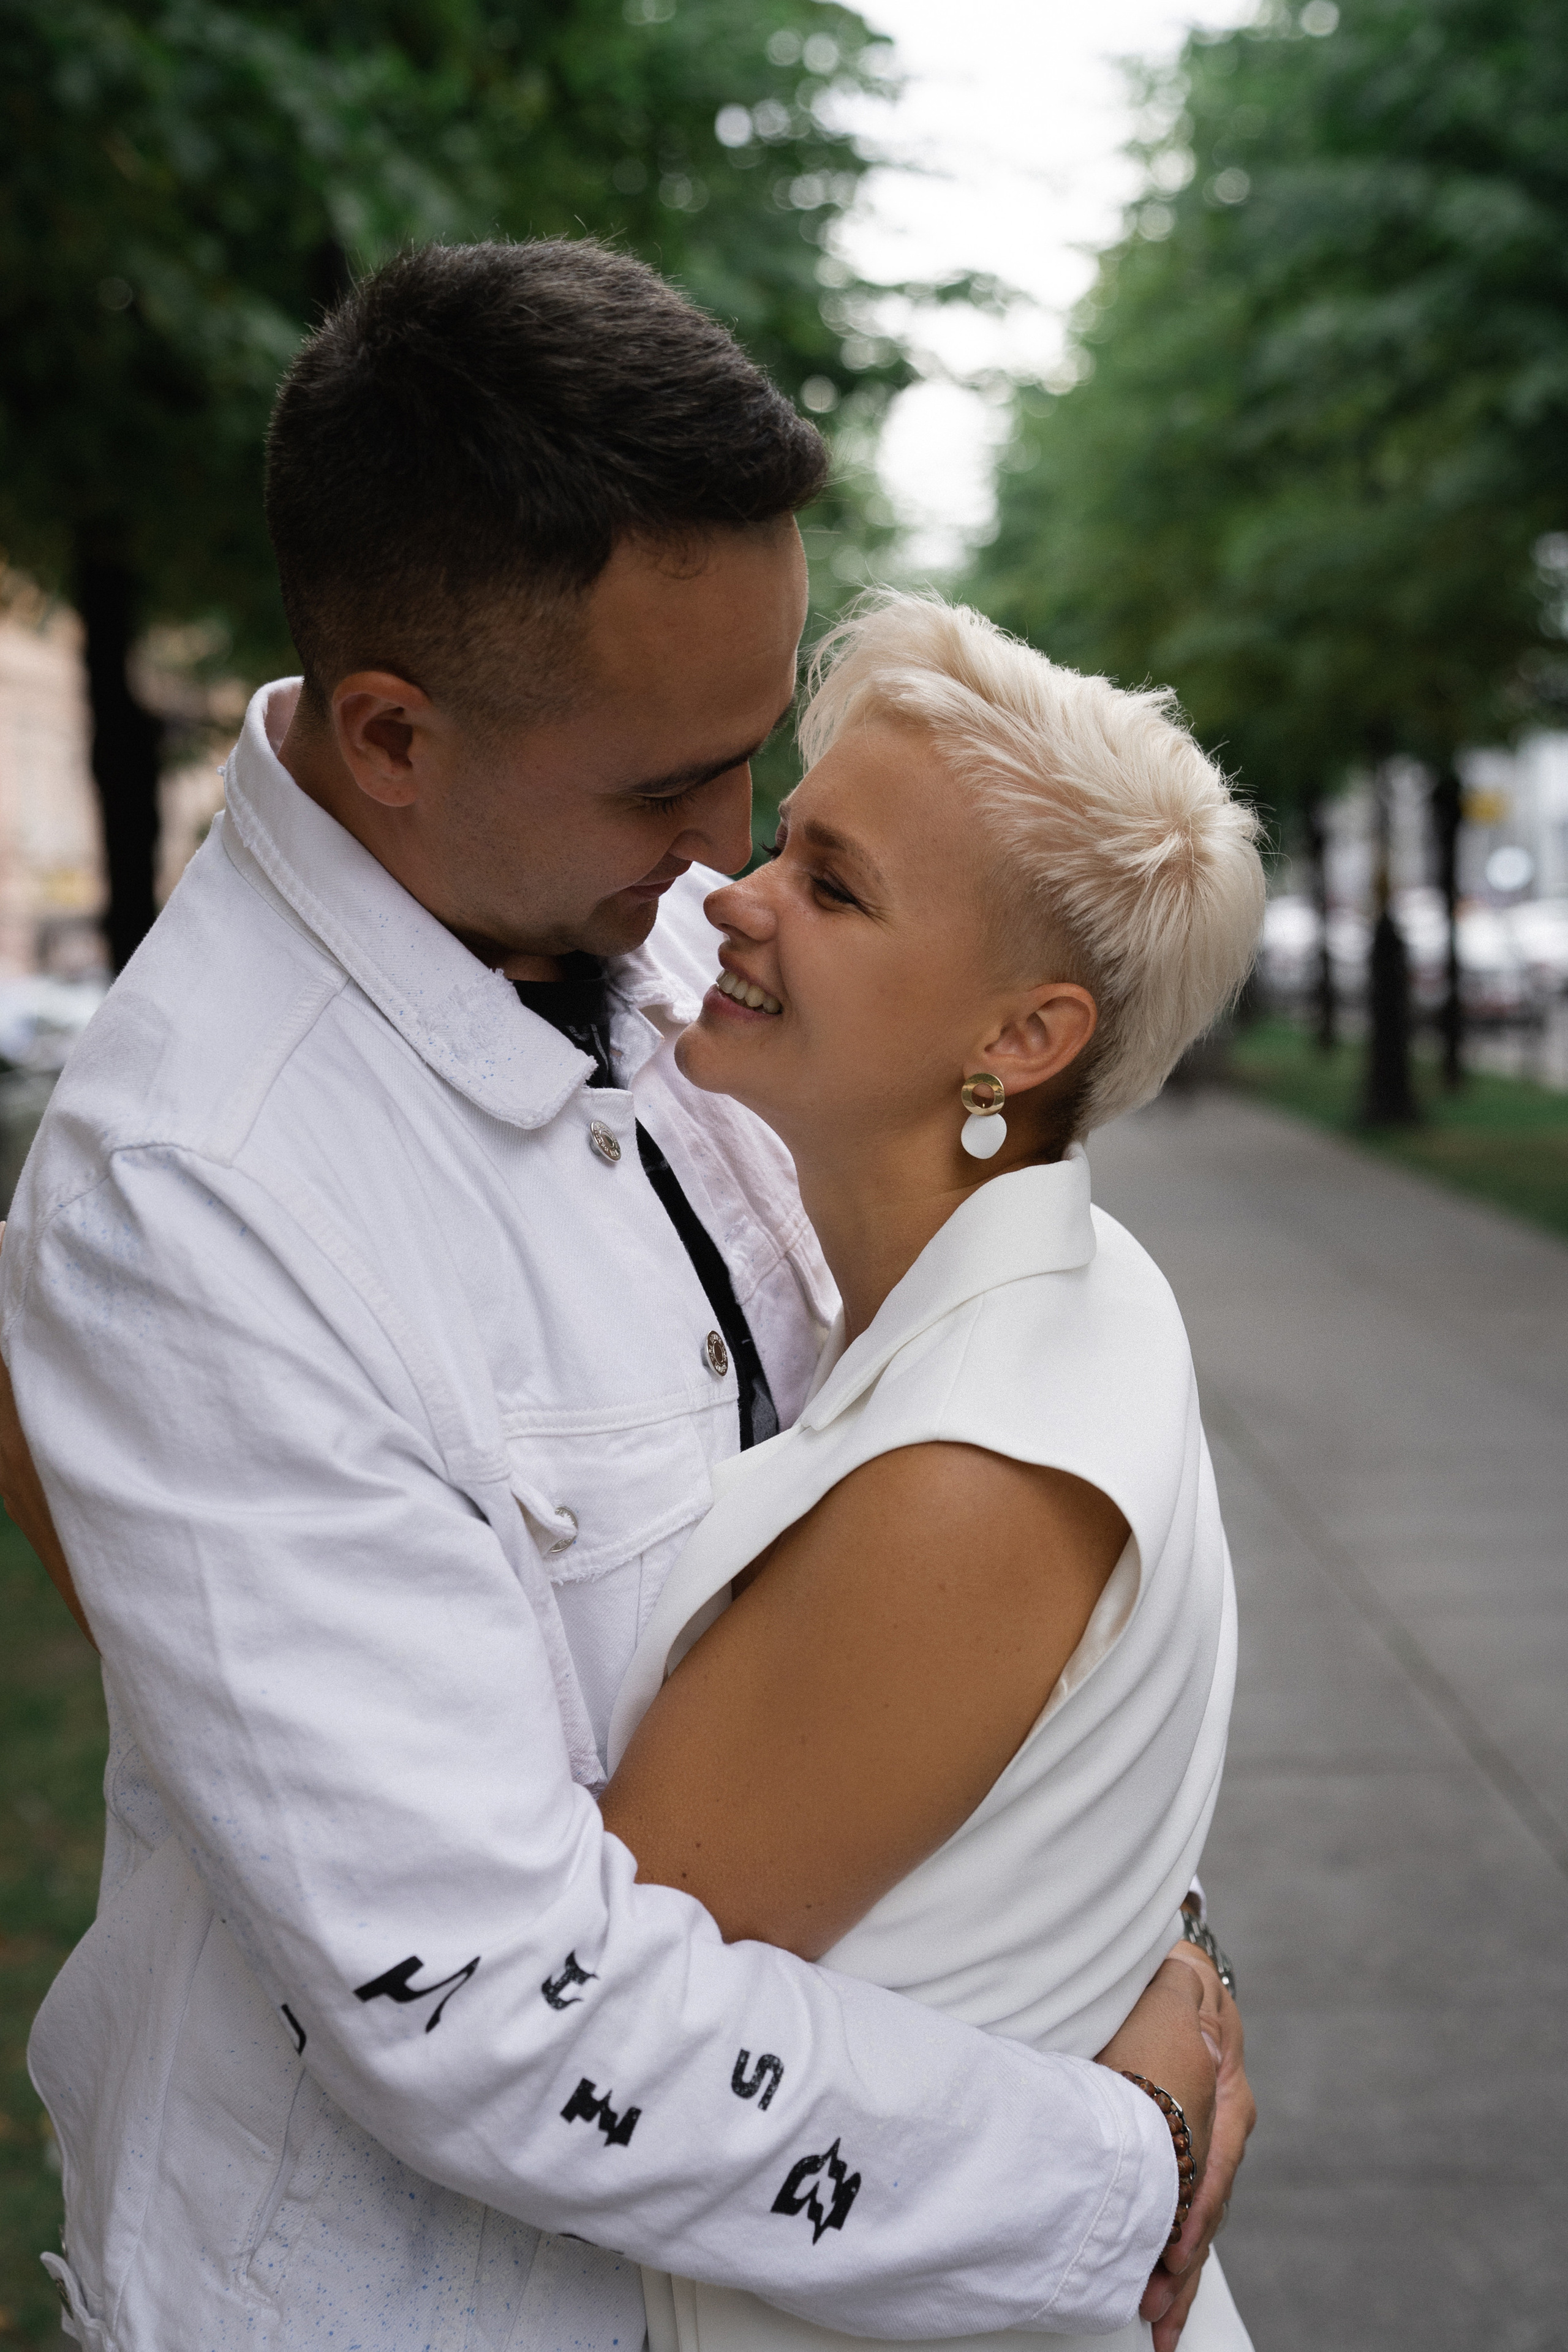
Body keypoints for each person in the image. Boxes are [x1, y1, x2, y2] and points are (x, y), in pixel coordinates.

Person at [0, 240, 1245, 2352]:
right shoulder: (201, 1204)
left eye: (757, 763)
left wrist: (1135, 1936)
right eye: (673, 781)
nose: (732, 851)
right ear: (394, 737)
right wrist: (1105, 2165)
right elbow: (487, 2010)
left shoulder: (650, 934)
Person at [596, 592, 1265, 2352]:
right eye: (781, 838)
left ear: (1021, 1042)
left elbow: (585, 2007)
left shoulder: (970, 1471)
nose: (730, 896)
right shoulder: (1075, 1297)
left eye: (830, 882)